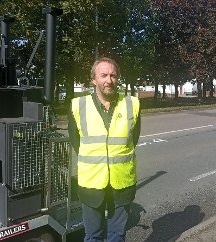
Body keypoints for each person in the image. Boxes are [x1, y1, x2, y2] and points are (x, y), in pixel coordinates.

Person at [68, 57, 141, 242]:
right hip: (91, 183)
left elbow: (133, 139)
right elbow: (76, 141)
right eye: (103, 75)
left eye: (113, 75)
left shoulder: (132, 104)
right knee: (93, 236)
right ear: (94, 79)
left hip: (122, 182)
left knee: (117, 235)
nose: (109, 80)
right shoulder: (78, 105)